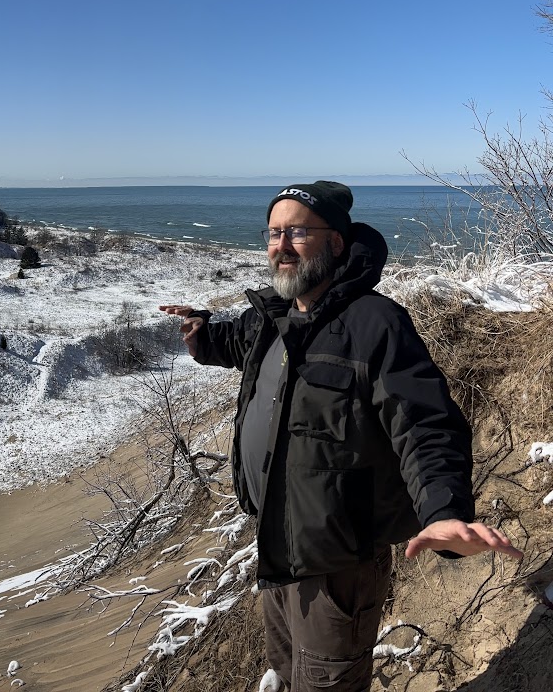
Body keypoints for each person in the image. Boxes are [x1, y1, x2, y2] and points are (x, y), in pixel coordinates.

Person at [160, 181, 520, 692]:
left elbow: (424, 424)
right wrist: (200, 334)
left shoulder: (375, 324)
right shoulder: (273, 319)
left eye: (297, 233)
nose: (280, 245)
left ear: (336, 243)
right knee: (286, 675)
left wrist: (444, 513)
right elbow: (234, 343)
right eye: (273, 233)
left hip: (338, 568)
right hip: (276, 550)